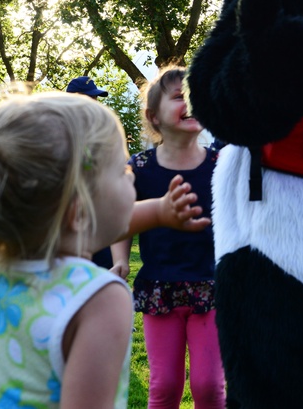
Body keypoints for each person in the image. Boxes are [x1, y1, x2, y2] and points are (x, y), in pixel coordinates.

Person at [0, 87, 209, 409]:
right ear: (79, 210)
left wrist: (158, 212)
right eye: (121, 170)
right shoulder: (98, 298)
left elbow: (87, 229)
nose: (131, 179)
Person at [113, 67, 225, 409]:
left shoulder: (222, 165)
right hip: (160, 290)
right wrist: (120, 259)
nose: (191, 103)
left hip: (212, 288)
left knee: (208, 385)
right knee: (164, 386)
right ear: (153, 117)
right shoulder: (140, 167)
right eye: (180, 98)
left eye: (195, 97)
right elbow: (122, 217)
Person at [65, 74, 126, 275]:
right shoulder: (59, 136)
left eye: (96, 100)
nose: (95, 105)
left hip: (100, 227)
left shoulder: (104, 137)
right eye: (89, 100)